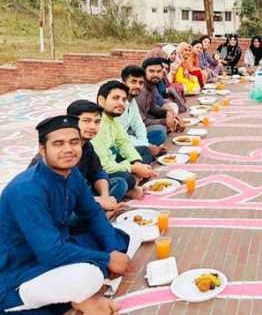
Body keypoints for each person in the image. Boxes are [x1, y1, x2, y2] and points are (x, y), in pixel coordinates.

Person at [0, 115, 141, 315]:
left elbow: (92, 214)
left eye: (74, 142)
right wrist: (106, 259)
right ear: (42, 150)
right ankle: (89, 292)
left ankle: (88, 292)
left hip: (61, 249)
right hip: (19, 270)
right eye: (58, 143)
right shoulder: (26, 190)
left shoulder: (72, 173)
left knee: (131, 231)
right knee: (87, 274)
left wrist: (112, 250)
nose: (68, 149)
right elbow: (50, 251)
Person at [92, 80, 155, 194]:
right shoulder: (95, 124)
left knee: (144, 151)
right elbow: (103, 166)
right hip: (98, 170)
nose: (121, 103)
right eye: (115, 98)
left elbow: (124, 143)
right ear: (101, 101)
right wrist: (132, 168)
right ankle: (131, 185)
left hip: (113, 158)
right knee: (124, 180)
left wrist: (136, 163)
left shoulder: (113, 119)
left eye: (124, 100)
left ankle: (134, 182)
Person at [118, 65, 167, 163]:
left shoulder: (132, 100)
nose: (137, 86)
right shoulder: (118, 103)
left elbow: (139, 125)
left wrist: (145, 144)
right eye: (133, 82)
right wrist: (147, 146)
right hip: (116, 144)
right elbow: (119, 137)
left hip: (129, 137)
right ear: (123, 83)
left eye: (140, 83)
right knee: (146, 154)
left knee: (160, 133)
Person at [139, 57, 185, 134]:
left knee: (169, 112)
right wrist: (165, 121)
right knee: (160, 131)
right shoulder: (139, 91)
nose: (155, 74)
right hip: (133, 128)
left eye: (158, 71)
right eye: (151, 71)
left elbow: (156, 105)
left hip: (148, 117)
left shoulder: (152, 86)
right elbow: (142, 121)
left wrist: (170, 114)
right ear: (144, 73)